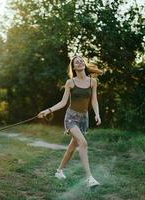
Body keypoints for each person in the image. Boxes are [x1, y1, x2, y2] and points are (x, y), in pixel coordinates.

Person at [38, 56, 102, 187]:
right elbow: (63, 102)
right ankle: (90, 178)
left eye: (81, 61)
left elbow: (94, 100)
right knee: (83, 143)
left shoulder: (93, 82)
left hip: (84, 119)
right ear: (73, 67)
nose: (79, 62)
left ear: (84, 64)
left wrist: (97, 114)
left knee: (72, 147)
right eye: (76, 62)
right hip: (71, 118)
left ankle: (59, 171)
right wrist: (48, 110)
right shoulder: (70, 82)